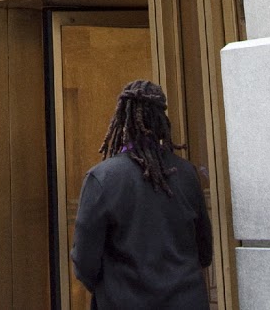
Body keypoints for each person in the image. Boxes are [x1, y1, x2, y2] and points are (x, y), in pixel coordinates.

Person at [70, 80, 212, 310]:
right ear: (162, 120)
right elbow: (204, 252)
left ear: (121, 121)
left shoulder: (102, 178)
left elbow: (85, 263)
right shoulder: (186, 174)